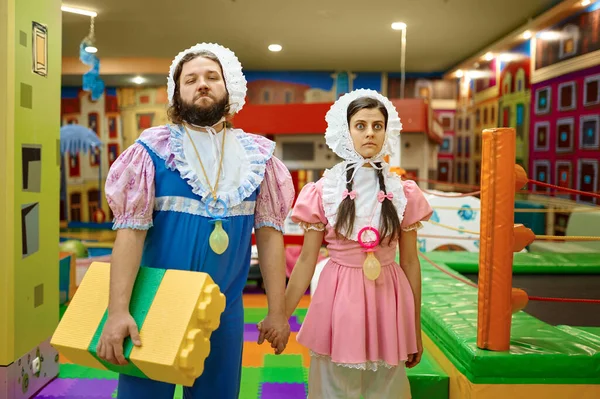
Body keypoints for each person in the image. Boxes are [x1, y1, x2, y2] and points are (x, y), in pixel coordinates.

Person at [97, 42, 294, 399]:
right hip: (153, 309)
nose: (201, 84)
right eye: (190, 79)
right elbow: (129, 235)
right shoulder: (151, 153)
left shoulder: (259, 159)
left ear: (229, 86)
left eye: (211, 77)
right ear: (177, 92)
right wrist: (117, 312)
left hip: (223, 315)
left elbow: (269, 237)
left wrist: (277, 313)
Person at [263, 89, 432, 398]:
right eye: (361, 125)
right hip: (339, 297)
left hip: (389, 299)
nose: (370, 133)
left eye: (377, 126)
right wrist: (280, 315)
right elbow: (305, 260)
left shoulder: (403, 191)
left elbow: (409, 262)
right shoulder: (324, 190)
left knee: (387, 387)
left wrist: (414, 330)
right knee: (335, 386)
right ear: (347, 130)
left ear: (386, 131)